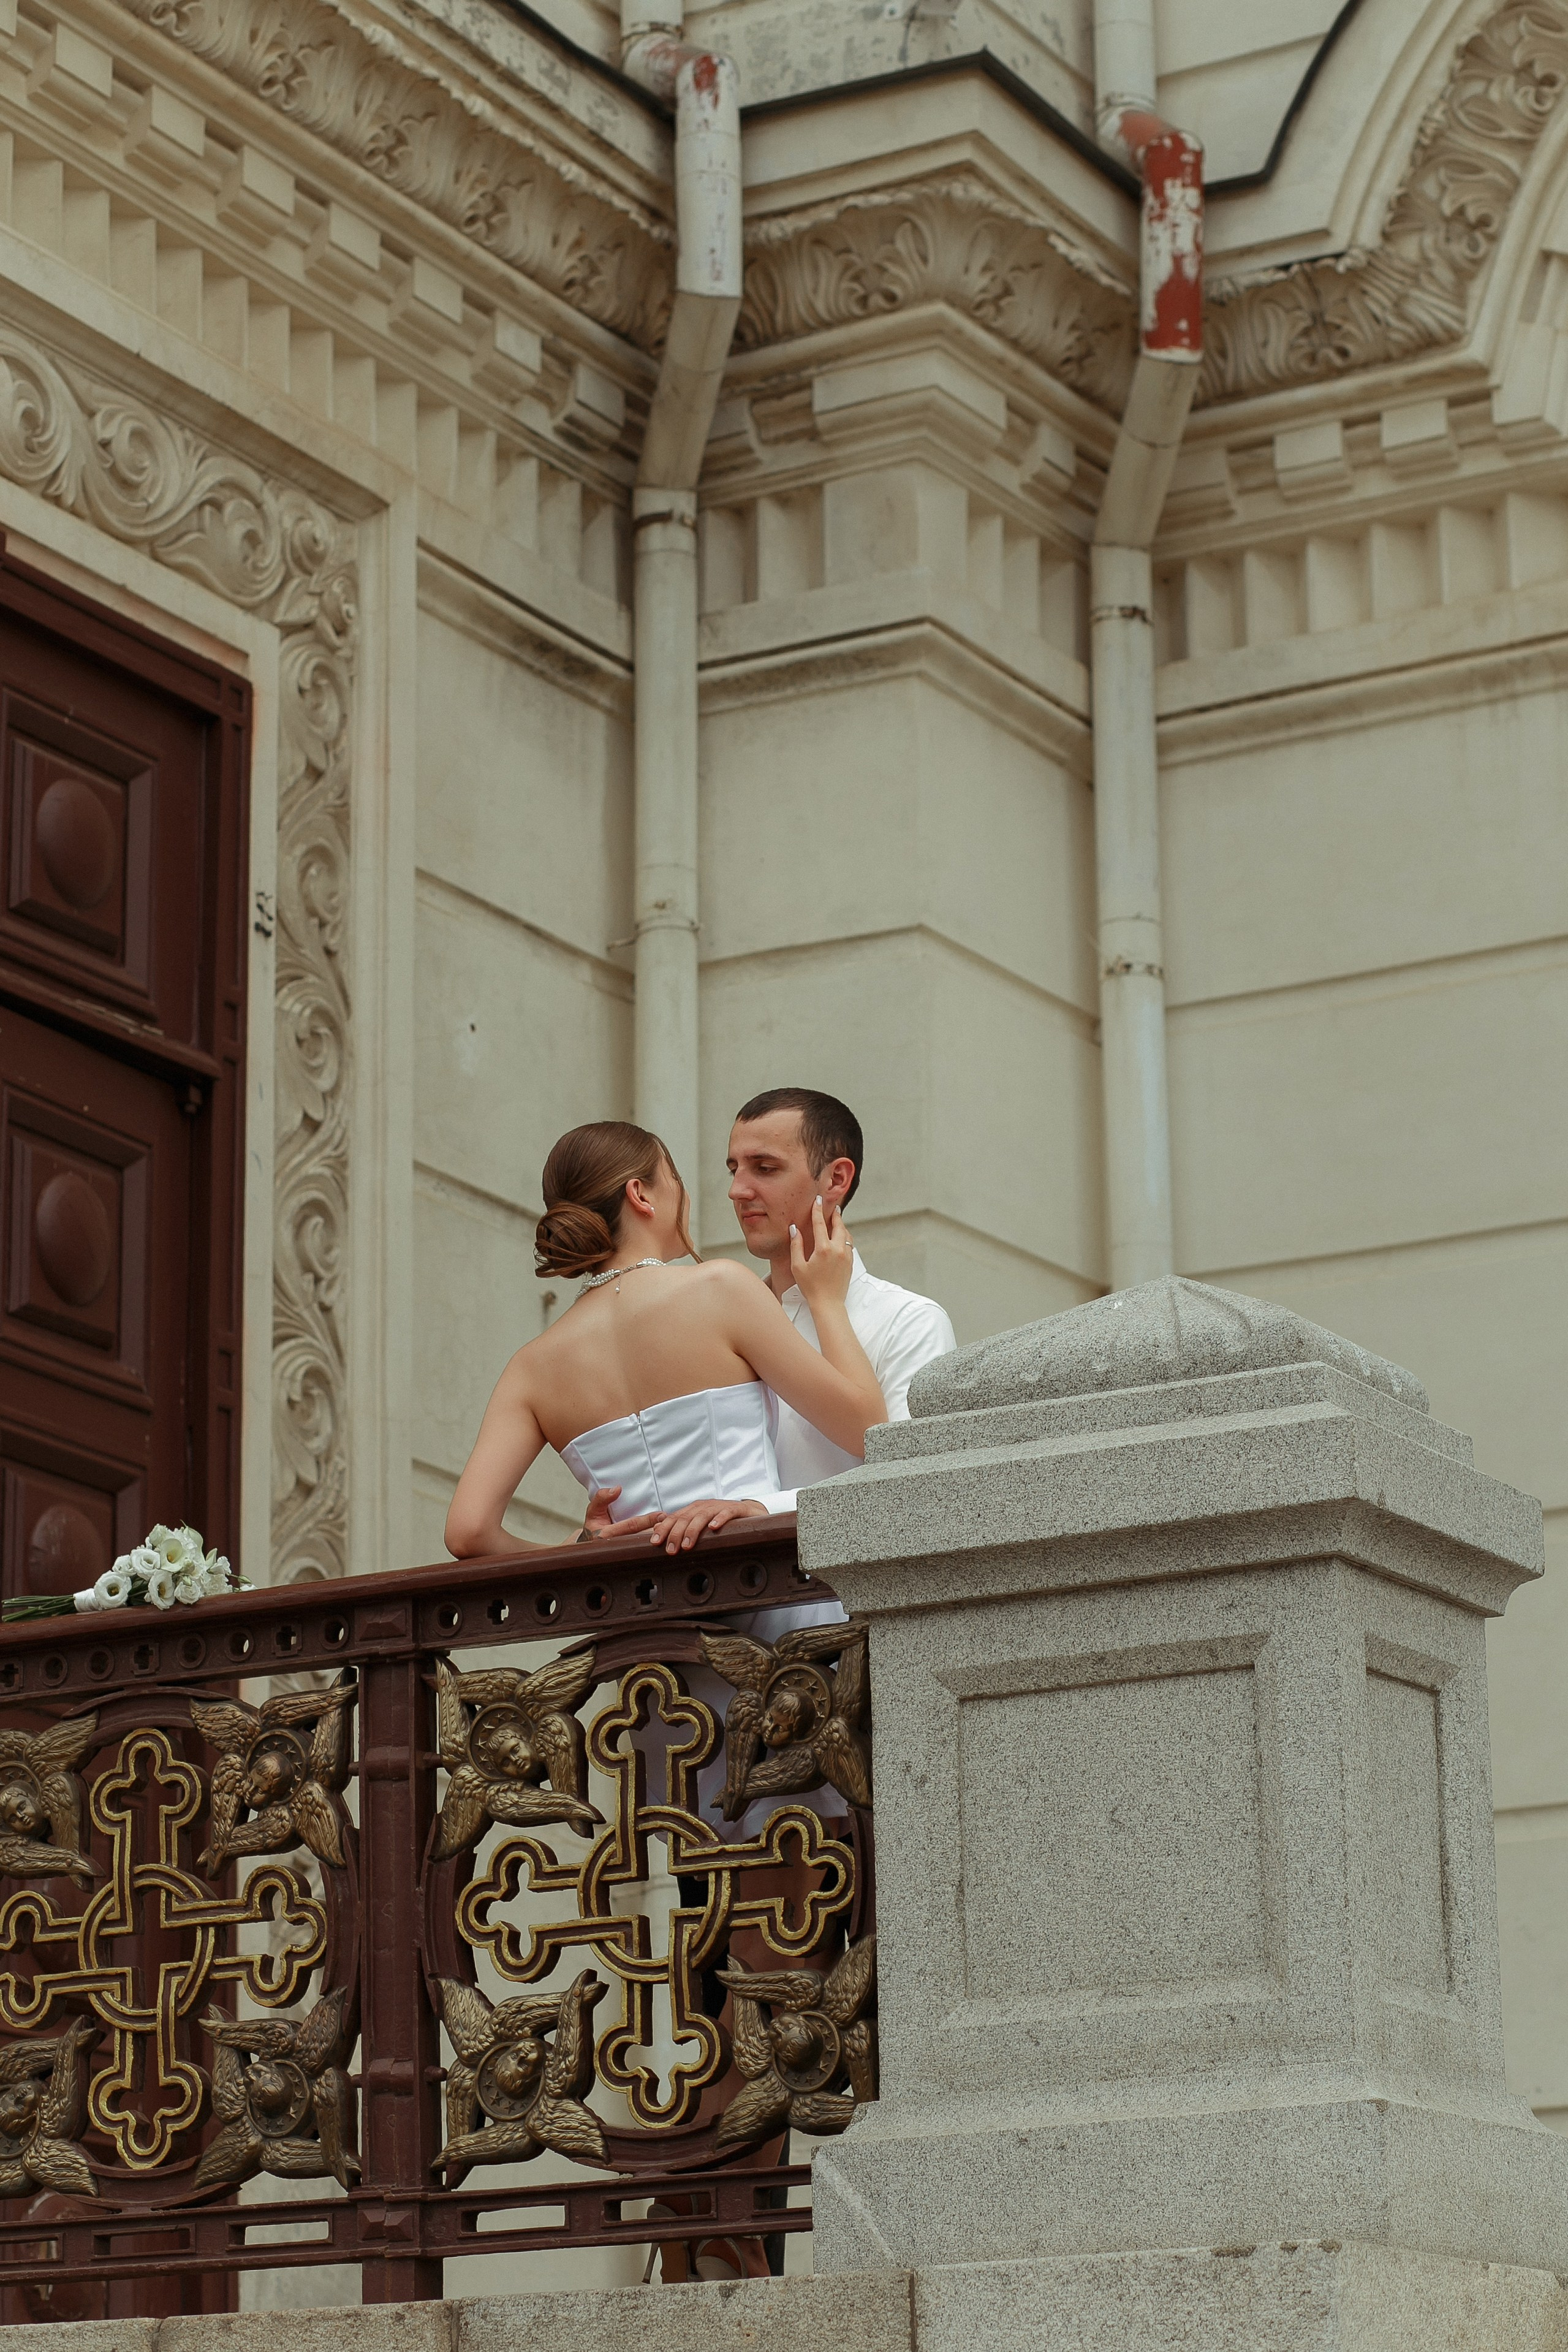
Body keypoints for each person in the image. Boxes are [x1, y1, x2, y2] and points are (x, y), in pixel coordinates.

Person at [444, 1121, 887, 1561]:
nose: (685, 1196)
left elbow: (467, 1533)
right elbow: (868, 1432)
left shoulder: (530, 1367)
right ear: (640, 1195)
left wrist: (574, 1551)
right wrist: (827, 1301)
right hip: (755, 1581)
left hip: (634, 1600)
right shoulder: (722, 1288)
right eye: (674, 1178)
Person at [583, 1087, 957, 1550]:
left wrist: (764, 1509)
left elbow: (911, 1483)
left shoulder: (908, 1321)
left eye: (764, 1168)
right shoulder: (711, 1322)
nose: (737, 1190)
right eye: (734, 1169)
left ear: (836, 1179)